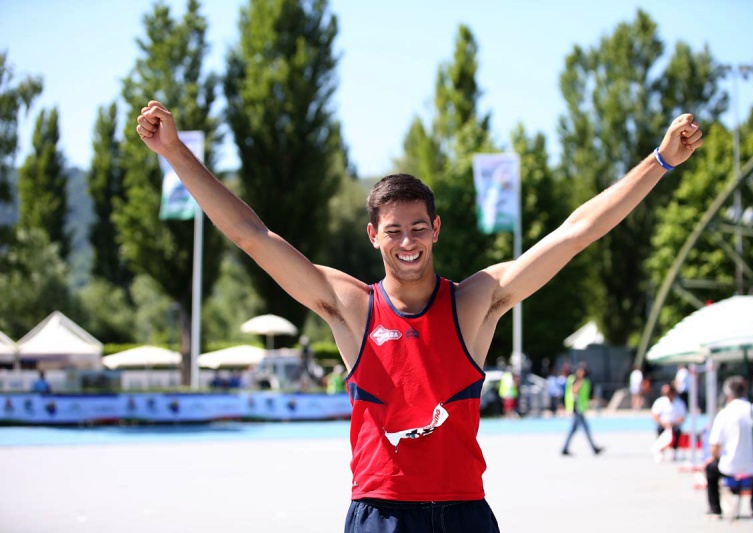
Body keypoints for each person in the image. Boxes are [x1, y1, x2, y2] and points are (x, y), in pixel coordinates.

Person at [136, 101, 702, 532]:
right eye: (393, 231)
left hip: (464, 512)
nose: (407, 242)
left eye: (417, 228)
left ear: (436, 230)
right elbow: (252, 236)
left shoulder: (476, 301)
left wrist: (659, 163)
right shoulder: (350, 306)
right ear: (373, 236)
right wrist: (176, 153)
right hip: (380, 513)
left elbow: (574, 234)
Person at [705, 376, 753, 519]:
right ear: (745, 391)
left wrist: (714, 457)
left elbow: (714, 447)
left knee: (710, 468)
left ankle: (715, 509)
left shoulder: (724, 413)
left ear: (728, 395)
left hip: (730, 466)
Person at [561, 365, 603, 456]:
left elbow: (588, 394)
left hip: (581, 407)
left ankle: (565, 448)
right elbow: (574, 391)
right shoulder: (573, 379)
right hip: (576, 408)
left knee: (573, 429)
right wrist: (579, 382)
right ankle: (594, 448)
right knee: (586, 429)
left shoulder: (586, 381)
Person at [650, 383, 686, 461]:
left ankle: (674, 450)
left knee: (677, 431)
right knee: (660, 429)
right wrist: (663, 423)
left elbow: (682, 417)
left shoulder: (679, 403)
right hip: (662, 424)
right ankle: (660, 451)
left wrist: (673, 423)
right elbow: (655, 415)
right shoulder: (660, 401)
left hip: (674, 425)